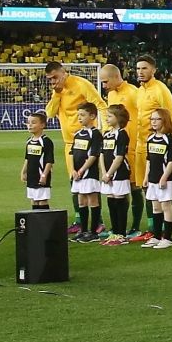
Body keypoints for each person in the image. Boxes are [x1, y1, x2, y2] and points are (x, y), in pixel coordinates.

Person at [43, 62, 100, 220]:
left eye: (55, 77)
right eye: (50, 79)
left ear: (63, 72)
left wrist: (102, 131)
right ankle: (79, 219)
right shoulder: (58, 92)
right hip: (71, 144)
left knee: (90, 182)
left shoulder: (81, 84)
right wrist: (57, 93)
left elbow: (99, 105)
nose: (53, 81)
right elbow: (50, 113)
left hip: (87, 142)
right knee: (75, 181)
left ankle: (97, 222)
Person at [133, 57, 172, 243]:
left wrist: (165, 137)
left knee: (163, 194)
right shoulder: (140, 92)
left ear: (153, 69)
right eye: (138, 68)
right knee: (148, 189)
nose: (140, 71)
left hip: (159, 146)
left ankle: (164, 234)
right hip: (143, 145)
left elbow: (171, 117)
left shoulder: (160, 90)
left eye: (144, 68)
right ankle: (154, 230)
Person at [98, 65, 144, 242]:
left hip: (131, 147)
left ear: (116, 76)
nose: (104, 85)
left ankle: (135, 226)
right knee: (118, 191)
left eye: (105, 81)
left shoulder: (133, 92)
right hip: (115, 148)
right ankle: (118, 227)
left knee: (134, 186)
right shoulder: (111, 95)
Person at [142, 108, 172, 249]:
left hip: (165, 179)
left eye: (157, 119)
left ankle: (167, 238)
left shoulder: (169, 139)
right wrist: (146, 177)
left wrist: (164, 177)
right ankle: (156, 236)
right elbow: (149, 160)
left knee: (166, 206)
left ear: (165, 120)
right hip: (153, 179)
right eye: (152, 119)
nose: (154, 122)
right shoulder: (150, 138)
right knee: (156, 207)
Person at [99, 102, 133, 245]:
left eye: (110, 116)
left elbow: (119, 157)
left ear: (118, 118)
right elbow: (101, 154)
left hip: (119, 172)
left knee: (119, 200)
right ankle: (114, 232)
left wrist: (109, 173)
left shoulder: (122, 134)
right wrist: (104, 172)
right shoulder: (107, 134)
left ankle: (121, 234)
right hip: (107, 173)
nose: (107, 118)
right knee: (111, 200)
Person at [69, 103, 102, 241]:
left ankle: (94, 232)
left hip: (89, 173)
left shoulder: (95, 134)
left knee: (92, 200)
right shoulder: (78, 133)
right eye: (79, 115)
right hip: (77, 174)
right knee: (81, 201)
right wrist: (72, 170)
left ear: (92, 116)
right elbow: (72, 153)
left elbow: (94, 155)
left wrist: (82, 170)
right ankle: (83, 230)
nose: (80, 118)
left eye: (82, 115)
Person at [22, 111, 54, 211]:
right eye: (28, 122)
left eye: (33, 122)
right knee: (34, 200)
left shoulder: (46, 141)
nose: (30, 125)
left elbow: (49, 161)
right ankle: (36, 225)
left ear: (42, 125)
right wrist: (23, 171)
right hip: (31, 175)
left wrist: (44, 175)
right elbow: (27, 158)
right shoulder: (29, 141)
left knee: (42, 200)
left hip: (41, 175)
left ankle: (45, 224)